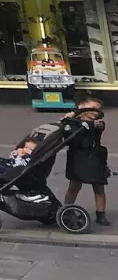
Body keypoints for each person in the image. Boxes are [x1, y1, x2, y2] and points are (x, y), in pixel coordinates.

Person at [64, 92, 110, 225]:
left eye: (98, 110)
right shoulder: (73, 122)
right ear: (81, 106)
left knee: (99, 186)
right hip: (77, 156)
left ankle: (100, 213)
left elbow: (99, 126)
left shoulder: (96, 123)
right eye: (92, 108)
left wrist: (93, 124)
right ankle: (67, 208)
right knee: (74, 185)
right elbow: (67, 133)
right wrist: (72, 115)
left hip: (94, 156)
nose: (95, 112)